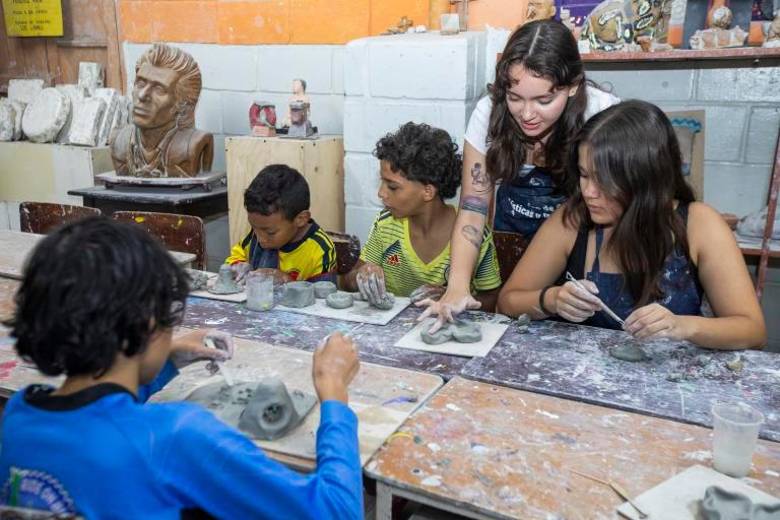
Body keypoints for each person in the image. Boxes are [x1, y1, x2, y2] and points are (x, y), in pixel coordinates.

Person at [0, 217, 363, 518]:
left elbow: (100, 422)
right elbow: (335, 511)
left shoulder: (18, 416)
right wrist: (334, 395)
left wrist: (163, 358)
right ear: (147, 325)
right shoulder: (177, 437)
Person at [497, 100, 766, 350]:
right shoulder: (573, 220)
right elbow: (507, 302)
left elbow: (752, 332)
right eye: (584, 174)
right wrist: (551, 300)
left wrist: (683, 326)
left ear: (644, 179)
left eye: (604, 180)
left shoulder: (700, 224)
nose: (589, 191)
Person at [418, 20, 619, 329]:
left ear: (574, 85)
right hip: (510, 239)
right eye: (515, 98)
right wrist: (458, 285)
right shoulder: (489, 114)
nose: (527, 114)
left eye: (544, 100)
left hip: (578, 243)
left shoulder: (602, 114)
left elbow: (619, 204)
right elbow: (472, 209)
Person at [343, 122, 502, 310]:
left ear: (428, 191)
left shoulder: (473, 235)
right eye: (382, 183)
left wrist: (452, 296)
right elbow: (346, 283)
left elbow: (492, 300)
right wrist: (362, 275)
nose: (381, 193)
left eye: (392, 187)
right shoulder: (386, 225)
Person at [226, 164, 337, 285]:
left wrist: (286, 281)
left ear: (301, 219)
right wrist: (238, 266)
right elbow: (238, 254)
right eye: (254, 228)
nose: (260, 239)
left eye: (270, 233)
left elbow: (324, 296)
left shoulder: (320, 249)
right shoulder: (261, 229)